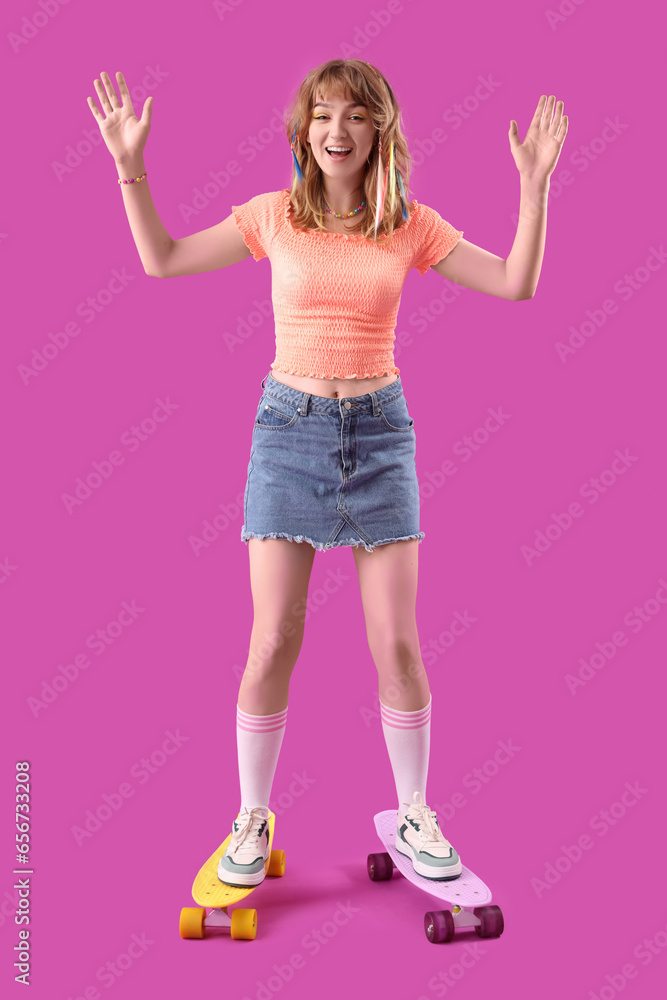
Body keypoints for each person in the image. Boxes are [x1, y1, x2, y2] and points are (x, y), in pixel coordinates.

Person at [87, 59, 568, 889]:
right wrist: (129, 165)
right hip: (289, 435)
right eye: (320, 115)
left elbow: (514, 282)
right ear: (302, 130)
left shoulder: (410, 224)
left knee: (398, 645)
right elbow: (162, 259)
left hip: (381, 437)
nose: (335, 131)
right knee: (272, 639)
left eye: (352, 115)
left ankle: (415, 809)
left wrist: (533, 187)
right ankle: (250, 815)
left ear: (379, 129)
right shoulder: (272, 217)